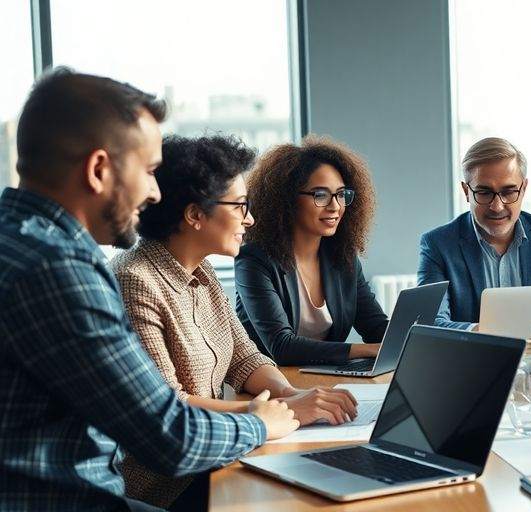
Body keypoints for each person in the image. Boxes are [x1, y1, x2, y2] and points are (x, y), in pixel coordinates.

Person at [0, 68, 298, 512]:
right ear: (99, 169)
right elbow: (169, 436)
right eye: (149, 170)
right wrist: (259, 423)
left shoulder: (18, 240)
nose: (156, 193)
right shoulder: (59, 269)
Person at [112, 135, 360, 508]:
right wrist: (277, 412)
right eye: (240, 206)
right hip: (168, 483)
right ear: (195, 215)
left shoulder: (202, 270)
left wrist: (290, 395)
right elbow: (168, 405)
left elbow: (244, 358)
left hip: (219, 456)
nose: (251, 218)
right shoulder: (136, 280)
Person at [235, 136, 387, 366]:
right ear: (286, 200)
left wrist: (412, 338)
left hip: (323, 380)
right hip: (268, 386)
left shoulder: (343, 259)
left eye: (341, 194)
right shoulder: (254, 261)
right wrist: (365, 350)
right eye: (321, 195)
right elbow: (281, 346)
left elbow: (374, 326)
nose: (335, 206)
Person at [419, 137, 531, 330]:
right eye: (484, 193)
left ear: (523, 189)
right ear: (466, 191)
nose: (497, 206)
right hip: (474, 357)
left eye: (508, 192)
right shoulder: (437, 245)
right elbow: (429, 323)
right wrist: (492, 333)